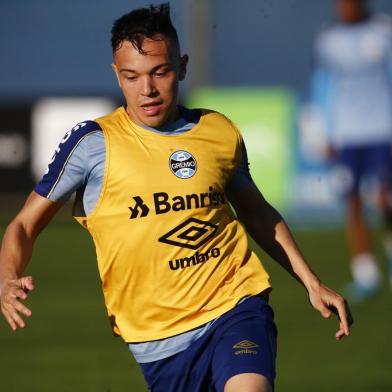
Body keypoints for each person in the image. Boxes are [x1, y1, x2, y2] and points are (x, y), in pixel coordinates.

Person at [0, 4, 352, 392]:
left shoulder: (217, 131)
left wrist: (311, 282)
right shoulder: (92, 144)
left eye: (160, 72)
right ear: (116, 76)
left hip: (235, 303)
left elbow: (256, 211)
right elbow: (23, 224)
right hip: (156, 341)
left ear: (181, 67)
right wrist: (6, 277)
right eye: (132, 77)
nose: (147, 90)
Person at [310, 0, 392, 302]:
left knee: (385, 198)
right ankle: (365, 273)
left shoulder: (383, 30)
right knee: (353, 201)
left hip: (382, 129)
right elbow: (322, 83)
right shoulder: (328, 39)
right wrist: (323, 131)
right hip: (347, 134)